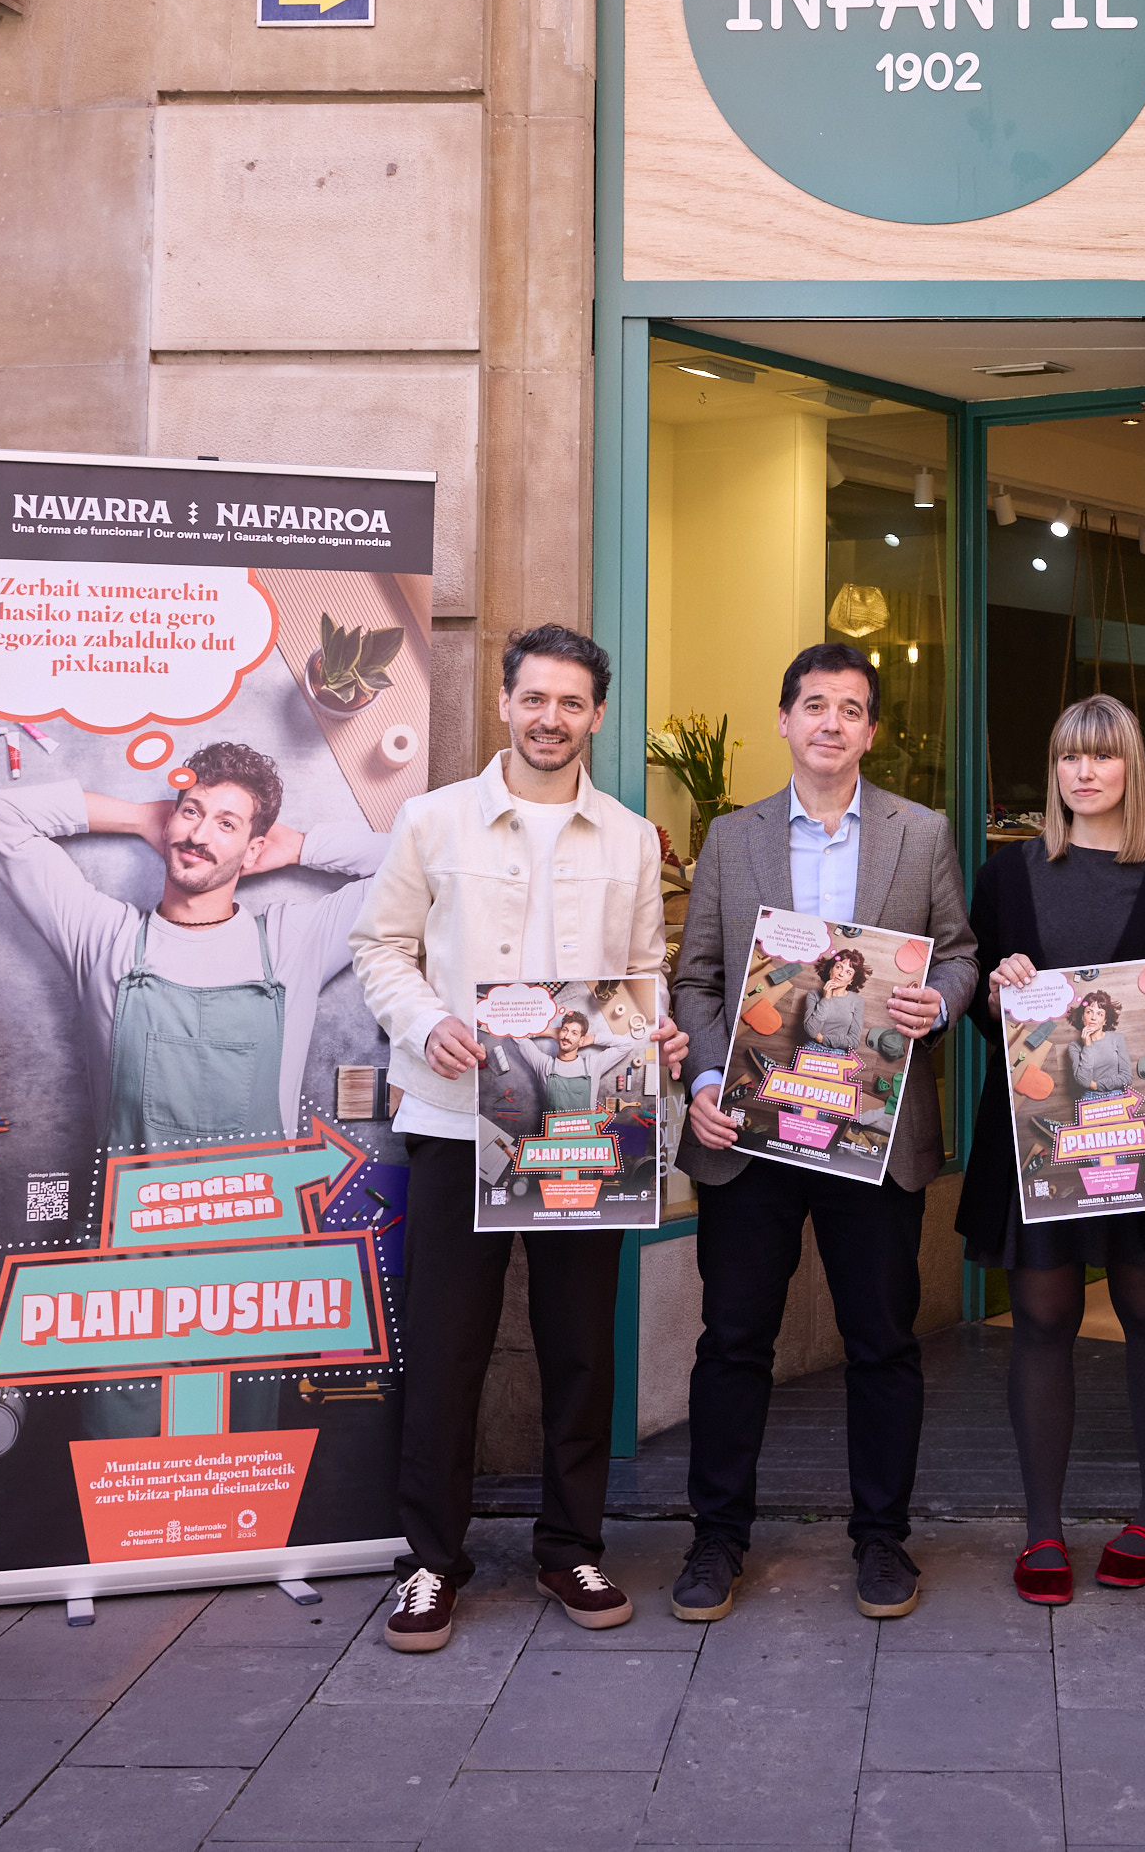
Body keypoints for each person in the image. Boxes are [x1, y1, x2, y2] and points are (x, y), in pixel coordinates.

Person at [350, 625, 687, 1653]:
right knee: (445, 1347)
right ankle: (429, 1559)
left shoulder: (630, 838)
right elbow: (380, 944)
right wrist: (425, 1021)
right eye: (535, 697)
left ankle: (570, 1545)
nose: (551, 717)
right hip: (456, 1116)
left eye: (571, 702)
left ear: (596, 715)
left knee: (580, 1347)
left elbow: (643, 972)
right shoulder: (433, 818)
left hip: (585, 1122)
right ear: (505, 701)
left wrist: (658, 1029)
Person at [671, 642, 979, 1626]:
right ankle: (716, 1537)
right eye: (814, 704)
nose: (831, 722)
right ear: (784, 719)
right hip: (751, 1128)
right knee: (733, 1340)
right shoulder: (733, 836)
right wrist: (707, 1077)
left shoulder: (919, 834)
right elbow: (696, 978)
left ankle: (881, 1538)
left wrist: (941, 1000)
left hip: (871, 1130)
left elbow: (960, 955)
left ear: (871, 730)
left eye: (850, 708)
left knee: (881, 1342)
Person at [955, 693, 1145, 1604]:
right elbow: (980, 1002)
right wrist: (994, 993)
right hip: (1036, 1134)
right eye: (1069, 755)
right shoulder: (1007, 874)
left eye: (1102, 755)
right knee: (1041, 1315)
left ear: (1130, 768)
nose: (1083, 771)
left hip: (1139, 1128)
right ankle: (1042, 1527)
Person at [0, 735, 392, 1150]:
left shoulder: (295, 943)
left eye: (226, 824)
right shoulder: (102, 936)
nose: (199, 836)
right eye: (192, 812)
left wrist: (299, 847)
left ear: (253, 851)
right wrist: (140, 817)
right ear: (169, 822)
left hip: (265, 1196)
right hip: (134, 1197)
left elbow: (414, 861)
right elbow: (0, 815)